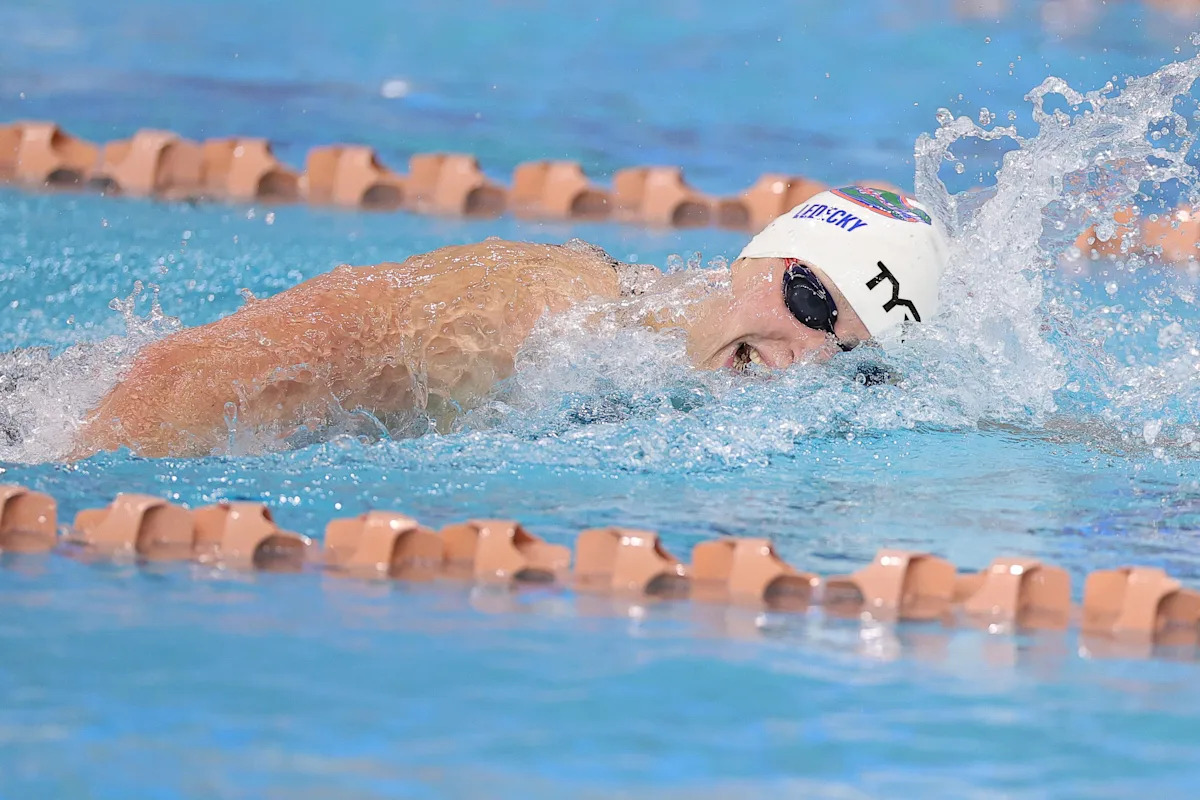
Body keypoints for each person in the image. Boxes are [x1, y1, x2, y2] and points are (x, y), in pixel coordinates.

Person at [73, 186, 949, 458]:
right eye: (812, 303)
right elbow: (180, 379)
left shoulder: (674, 390)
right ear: (758, 258)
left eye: (853, 361)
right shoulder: (531, 311)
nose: (806, 360)